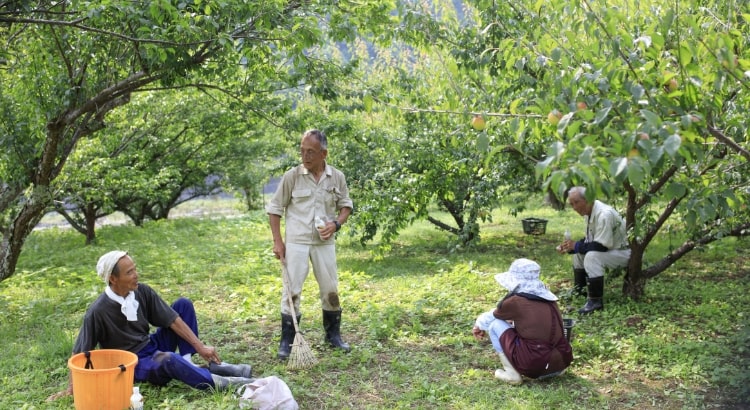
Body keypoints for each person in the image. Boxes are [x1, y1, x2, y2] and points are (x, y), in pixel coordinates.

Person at [47, 251, 254, 402]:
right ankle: (219, 381)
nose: (136, 274)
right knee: (168, 359)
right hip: (133, 363)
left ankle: (188, 363)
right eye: (129, 272)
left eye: (135, 268)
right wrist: (72, 388)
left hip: (150, 345)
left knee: (183, 305)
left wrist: (200, 347)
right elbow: (80, 352)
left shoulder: (141, 292)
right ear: (113, 279)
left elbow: (172, 319)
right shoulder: (97, 311)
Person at [267, 129, 353, 359]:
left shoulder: (337, 177)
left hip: (324, 243)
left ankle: (333, 335)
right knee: (291, 290)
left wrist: (336, 223)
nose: (305, 156)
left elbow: (346, 205)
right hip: (297, 242)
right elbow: (274, 210)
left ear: (324, 153)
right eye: (302, 151)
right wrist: (278, 241)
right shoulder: (292, 176)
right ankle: (288, 339)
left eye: (311, 152)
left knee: (330, 289)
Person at [472, 258, 573, 384]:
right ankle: (551, 369)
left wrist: (478, 324)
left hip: (535, 366)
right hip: (562, 362)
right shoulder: (549, 299)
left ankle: (511, 374)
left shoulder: (516, 301)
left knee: (495, 325)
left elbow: (493, 316)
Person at [557, 186, 630, 314]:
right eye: (571, 204)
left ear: (589, 199)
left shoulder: (604, 214)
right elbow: (589, 241)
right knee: (579, 254)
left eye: (577, 202)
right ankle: (580, 290)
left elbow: (600, 246)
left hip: (625, 253)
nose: (574, 207)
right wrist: (571, 247)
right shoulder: (589, 213)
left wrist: (576, 246)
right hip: (612, 249)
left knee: (592, 256)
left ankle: (595, 301)